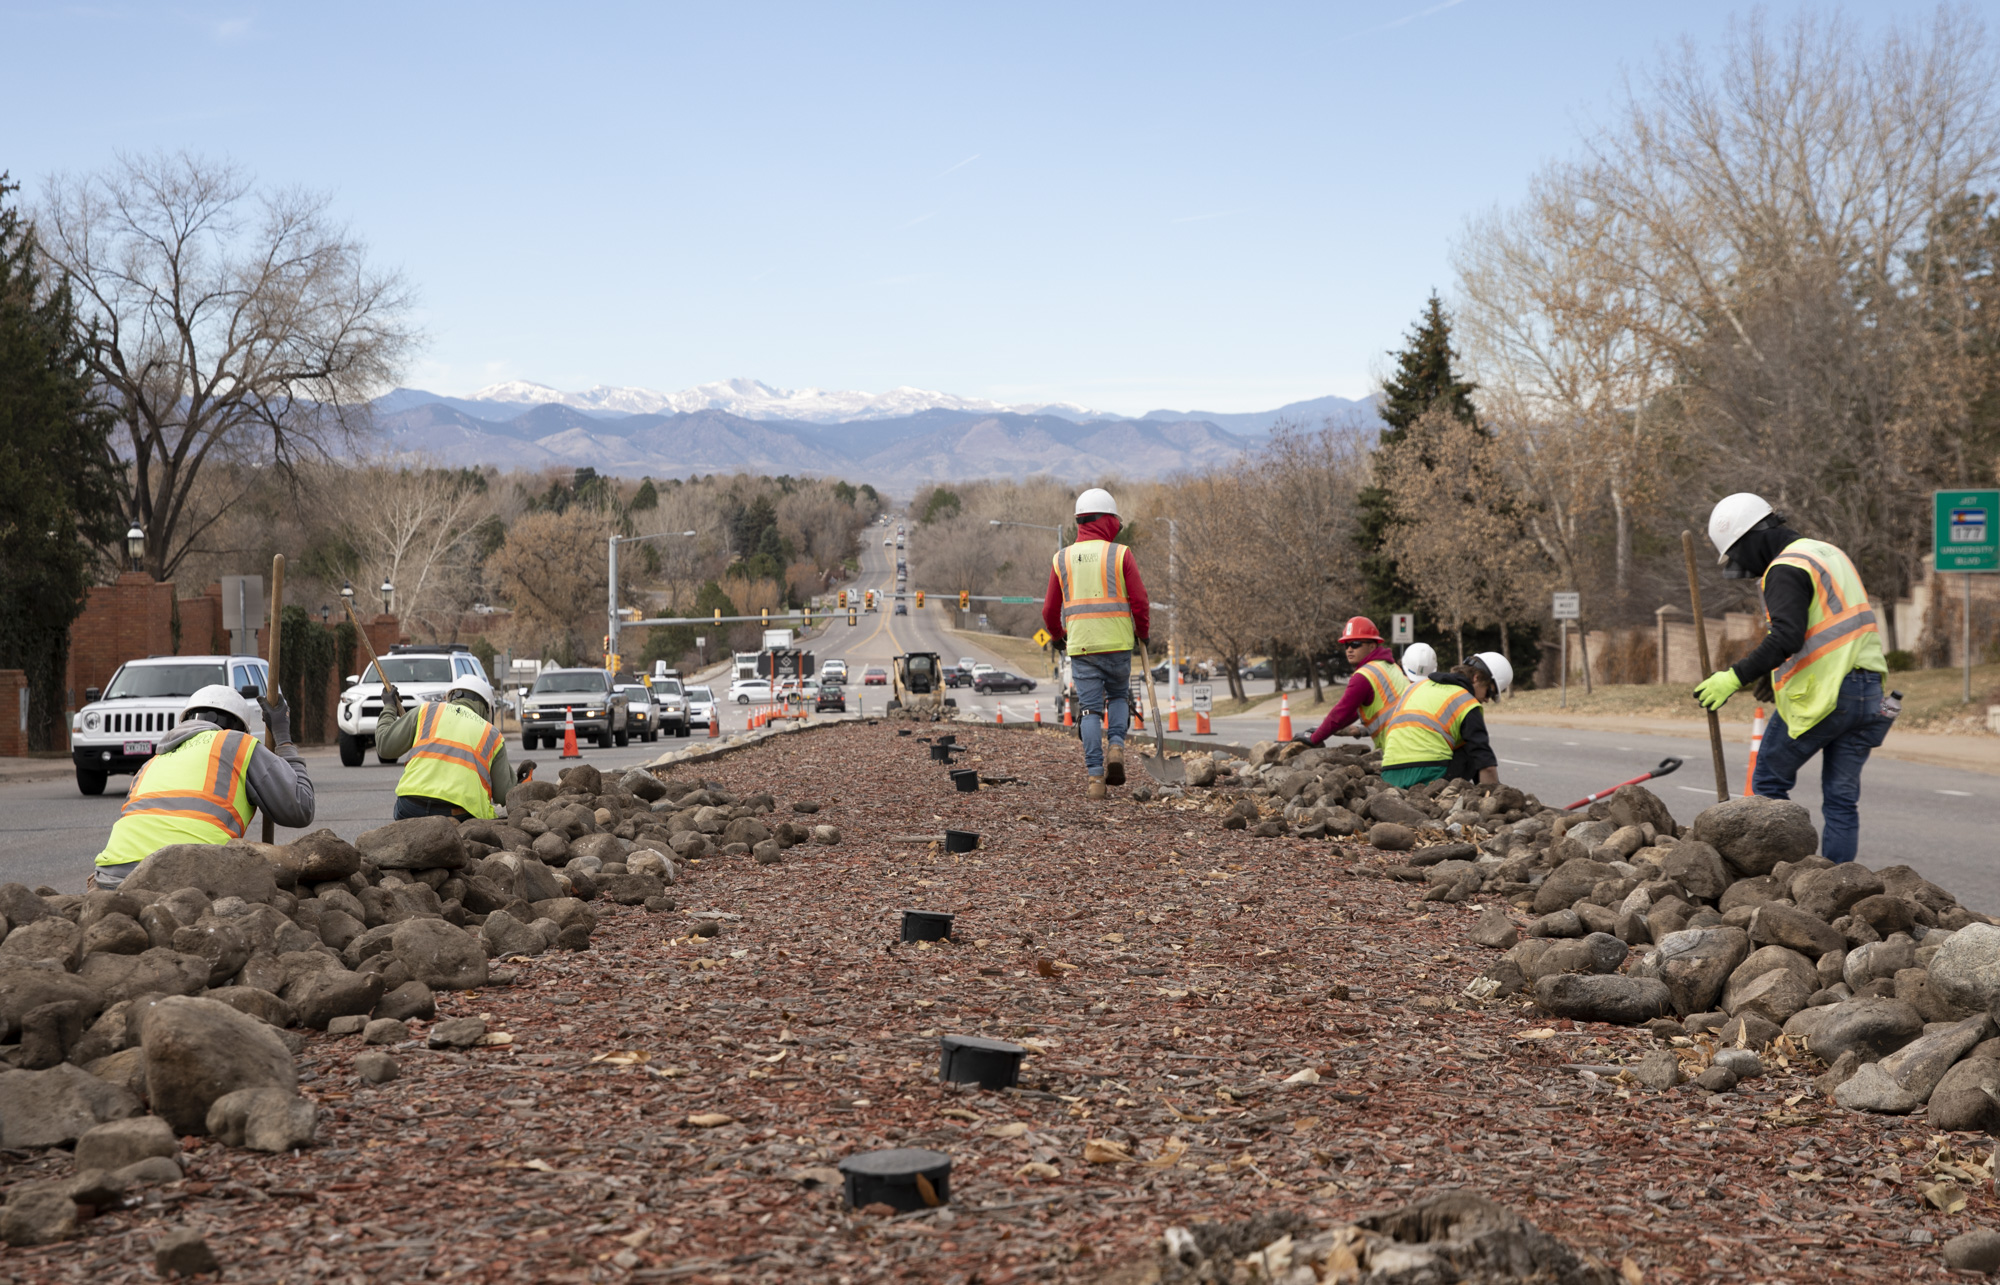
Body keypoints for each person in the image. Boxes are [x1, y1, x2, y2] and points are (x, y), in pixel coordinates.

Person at [1696, 493, 1890, 863]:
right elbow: (1825, 626)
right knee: (1841, 801)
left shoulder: (1784, 568)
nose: (1746, 569)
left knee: (1768, 784)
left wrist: (1733, 677)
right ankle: (1838, 884)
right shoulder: (1827, 553)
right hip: (1870, 695)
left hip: (1828, 694)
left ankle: (1781, 875)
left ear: (1751, 537)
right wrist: (1773, 670)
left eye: (1739, 556)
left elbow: (1787, 635)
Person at [93, 684, 315, 889]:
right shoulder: (237, 744)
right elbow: (301, 807)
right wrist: (283, 738)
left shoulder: (151, 763)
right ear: (239, 728)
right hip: (185, 877)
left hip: (110, 878)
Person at [1042, 487, 1151, 800]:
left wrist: (1058, 636)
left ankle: (1094, 780)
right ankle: (1116, 745)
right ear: (1108, 520)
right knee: (1118, 696)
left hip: (1082, 648)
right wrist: (1142, 632)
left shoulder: (1061, 559)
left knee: (1089, 712)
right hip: (1117, 644)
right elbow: (1140, 601)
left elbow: (1049, 610)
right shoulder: (1120, 554)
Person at [376, 682, 513, 820]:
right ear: (487, 708)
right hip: (458, 813)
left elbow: (384, 745)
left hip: (410, 807)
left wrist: (389, 706)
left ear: (451, 698)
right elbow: (504, 796)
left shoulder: (427, 710)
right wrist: (518, 781)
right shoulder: (492, 733)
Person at [1379, 652, 1511, 788]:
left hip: (1390, 774)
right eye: (1489, 692)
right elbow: (1485, 762)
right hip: (1428, 776)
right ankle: (1485, 791)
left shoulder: (1415, 687)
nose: (1487, 699)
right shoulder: (1466, 702)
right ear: (1476, 678)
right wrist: (1496, 795)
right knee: (1473, 749)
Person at [1300, 617, 1411, 749]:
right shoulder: (1391, 667)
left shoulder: (1363, 676)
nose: (1350, 649)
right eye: (1347, 644)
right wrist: (1357, 729)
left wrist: (1313, 738)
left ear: (1372, 646)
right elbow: (1361, 710)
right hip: (1411, 738)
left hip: (1400, 748)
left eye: (1356, 643)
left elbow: (1341, 713)